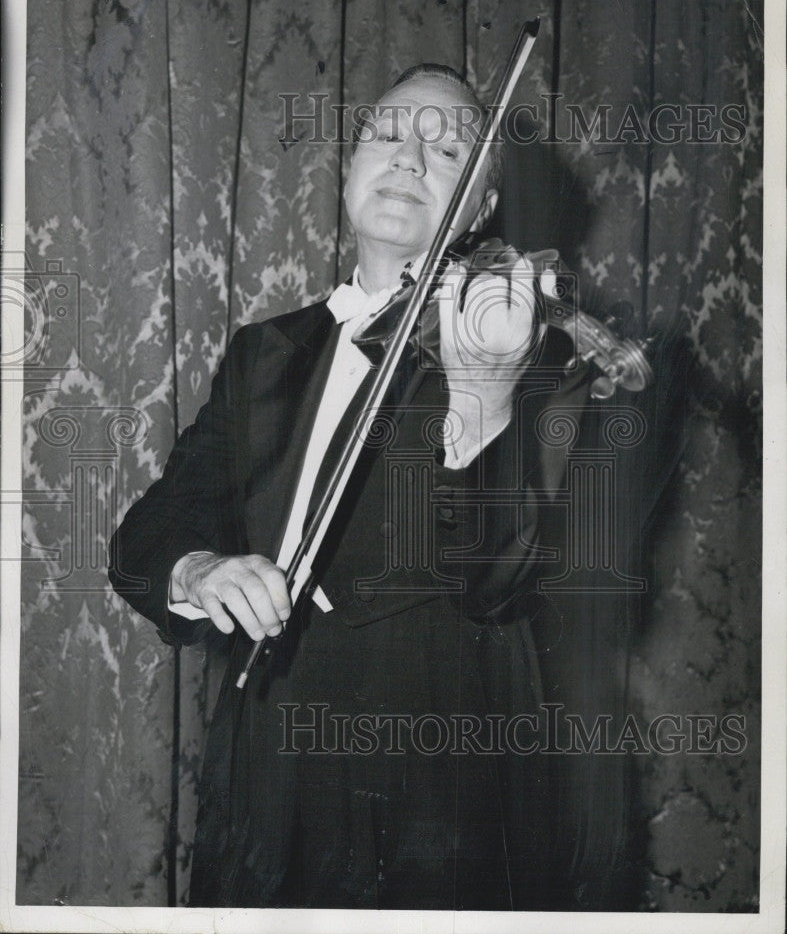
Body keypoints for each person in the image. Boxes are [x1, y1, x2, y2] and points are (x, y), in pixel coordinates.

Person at [109, 64, 639, 910]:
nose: (408, 157)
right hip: (261, 767)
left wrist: (483, 392)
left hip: (439, 777)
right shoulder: (264, 350)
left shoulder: (528, 355)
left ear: (480, 210)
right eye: (387, 134)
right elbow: (153, 526)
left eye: (448, 149)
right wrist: (200, 569)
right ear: (349, 167)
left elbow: (499, 584)